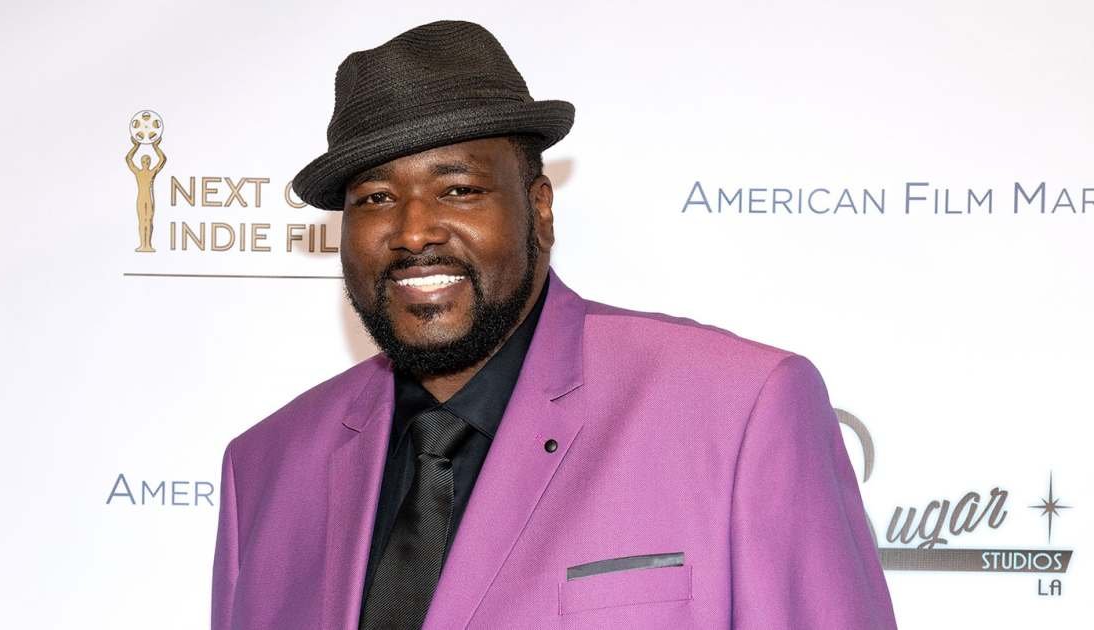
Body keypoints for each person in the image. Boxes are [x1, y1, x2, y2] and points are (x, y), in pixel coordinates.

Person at [211, 20, 897, 630]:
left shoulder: (740, 409)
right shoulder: (265, 470)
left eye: (459, 189)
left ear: (539, 207)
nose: (414, 231)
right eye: (376, 198)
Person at [125, 137, 165, 253]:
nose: (146, 163)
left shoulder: (152, 172)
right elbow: (128, 159)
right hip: (141, 199)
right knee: (142, 221)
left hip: (149, 199)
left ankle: (148, 245)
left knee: (149, 220)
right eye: (143, 161)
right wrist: (136, 146)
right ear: (141, 163)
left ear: (150, 162)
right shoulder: (138, 172)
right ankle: (143, 244)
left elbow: (162, 159)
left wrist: (155, 146)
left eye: (148, 161)